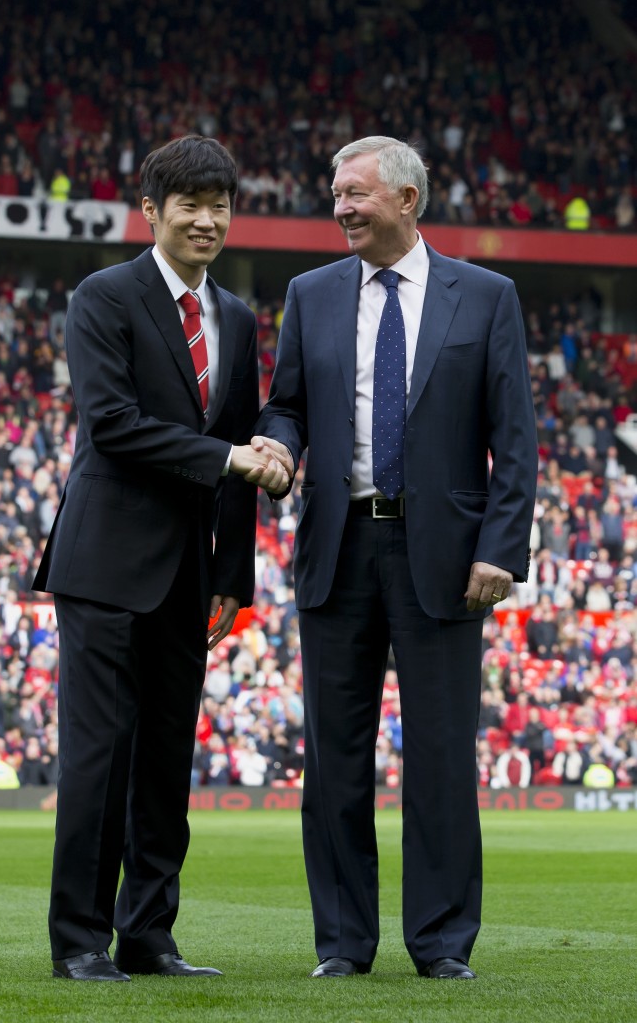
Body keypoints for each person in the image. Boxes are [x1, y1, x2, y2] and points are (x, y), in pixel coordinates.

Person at [254, 136, 537, 981]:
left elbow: (514, 440)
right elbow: (287, 406)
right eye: (335, 193)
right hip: (338, 550)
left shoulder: (487, 296)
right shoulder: (311, 293)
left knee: (443, 759)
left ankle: (443, 943)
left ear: (407, 200)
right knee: (334, 757)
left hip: (446, 557)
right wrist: (275, 447)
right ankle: (342, 945)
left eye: (354, 193)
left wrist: (502, 551)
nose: (339, 206)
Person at [33, 135, 290, 983]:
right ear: (152, 211)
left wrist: (233, 576)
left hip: (189, 574)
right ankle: (78, 940)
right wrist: (227, 461)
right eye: (190, 204)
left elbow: (244, 448)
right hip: (104, 565)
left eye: (220, 204)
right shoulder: (102, 296)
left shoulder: (242, 318)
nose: (208, 219)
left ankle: (149, 935)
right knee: (99, 758)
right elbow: (112, 425)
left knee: (165, 759)